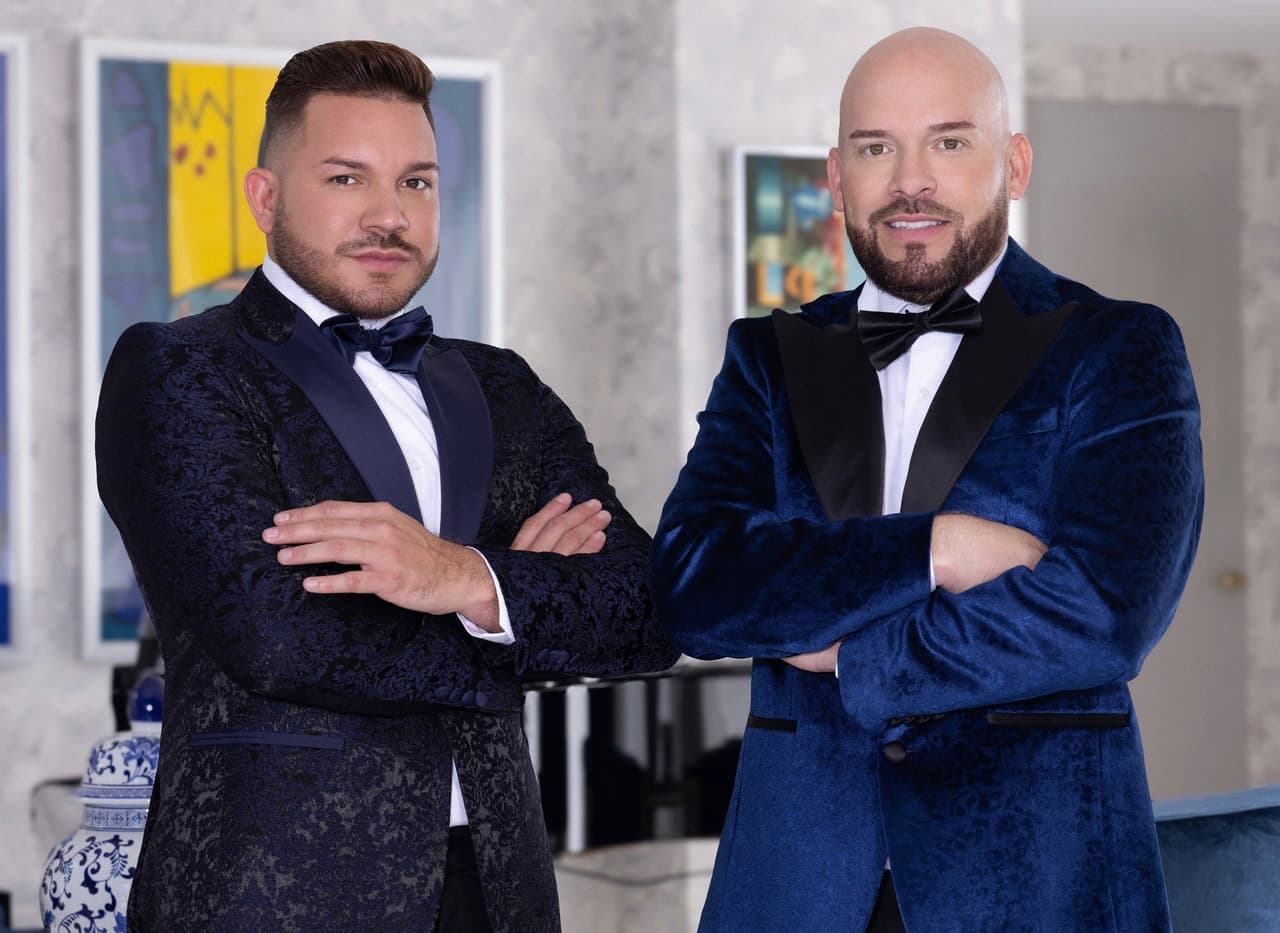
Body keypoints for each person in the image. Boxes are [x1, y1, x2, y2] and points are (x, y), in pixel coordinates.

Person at [96, 39, 677, 933]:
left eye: (416, 182)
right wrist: (511, 611)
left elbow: (646, 608)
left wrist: (463, 577)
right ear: (265, 197)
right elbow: (280, 637)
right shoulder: (179, 370)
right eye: (346, 178)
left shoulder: (503, 386)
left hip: (500, 890)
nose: (390, 214)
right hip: (272, 896)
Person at [650, 26, 1203, 932]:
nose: (911, 181)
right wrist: (935, 548)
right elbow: (694, 582)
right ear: (838, 178)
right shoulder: (767, 357)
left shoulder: (1120, 347)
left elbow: (1104, 612)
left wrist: (852, 656)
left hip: (1037, 881)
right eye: (877, 148)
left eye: (948, 142)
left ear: (1014, 165)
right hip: (798, 882)